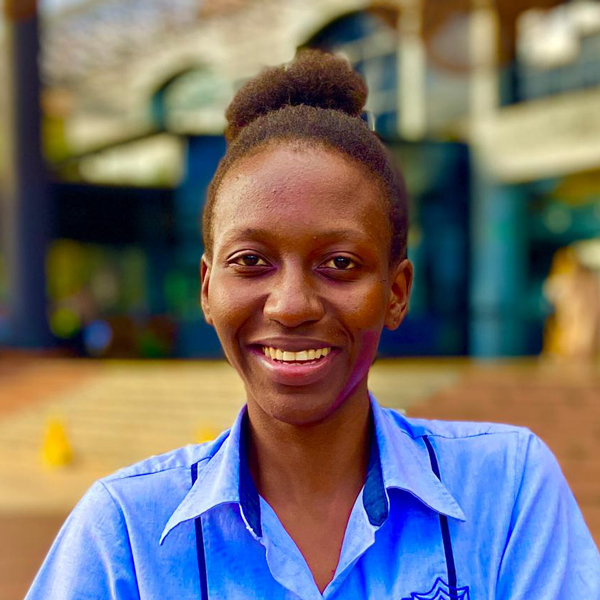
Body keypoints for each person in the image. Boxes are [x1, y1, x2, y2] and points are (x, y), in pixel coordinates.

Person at [26, 50, 600, 600]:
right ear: (206, 288)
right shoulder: (124, 535)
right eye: (251, 261)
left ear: (396, 293)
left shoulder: (507, 491)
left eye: (340, 263)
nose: (291, 305)